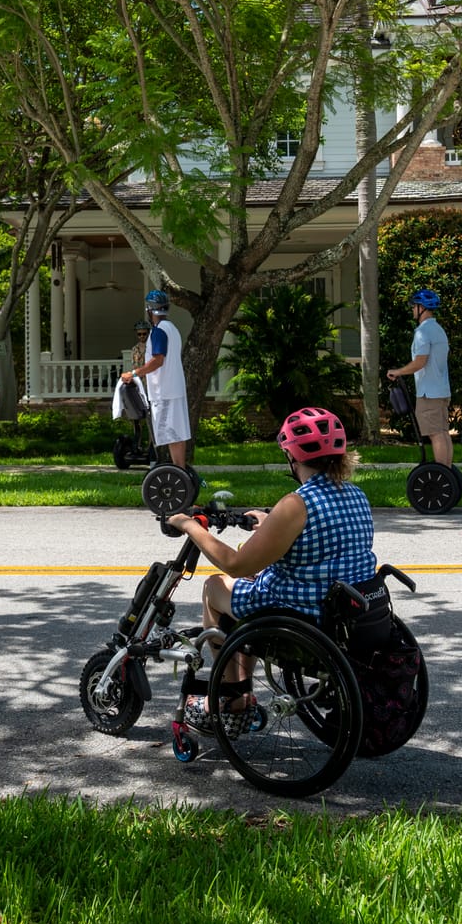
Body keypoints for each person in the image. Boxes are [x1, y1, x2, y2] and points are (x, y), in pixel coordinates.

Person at [164, 406, 376, 722]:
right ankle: (241, 686)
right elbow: (323, 543)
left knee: (215, 586)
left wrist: (189, 526)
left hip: (302, 615)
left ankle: (233, 699)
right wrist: (272, 523)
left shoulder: (297, 503)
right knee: (251, 577)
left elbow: (233, 564)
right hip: (346, 613)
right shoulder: (355, 494)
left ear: (292, 457)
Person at [386, 288, 454, 466]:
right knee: (443, 432)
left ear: (421, 307)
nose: (412, 310)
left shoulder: (422, 332)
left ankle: (442, 475)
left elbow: (420, 362)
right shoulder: (439, 330)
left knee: (435, 433)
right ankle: (447, 474)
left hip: (428, 392)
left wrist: (398, 371)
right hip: (441, 390)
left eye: (414, 306)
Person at [122, 290, 189, 468]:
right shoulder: (173, 329)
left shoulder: (159, 331)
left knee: (171, 434)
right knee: (178, 433)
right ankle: (181, 470)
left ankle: (179, 472)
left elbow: (158, 360)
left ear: (149, 309)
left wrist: (134, 373)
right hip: (175, 388)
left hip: (164, 391)